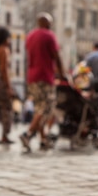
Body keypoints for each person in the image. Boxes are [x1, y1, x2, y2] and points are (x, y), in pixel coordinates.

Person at [19, 12, 66, 152]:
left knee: (39, 107)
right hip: (45, 76)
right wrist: (62, 74)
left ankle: (43, 138)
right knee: (47, 107)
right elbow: (56, 56)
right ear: (46, 23)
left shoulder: (30, 36)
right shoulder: (49, 35)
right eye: (50, 23)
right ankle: (27, 134)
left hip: (31, 77)